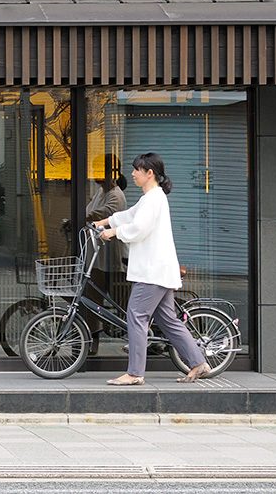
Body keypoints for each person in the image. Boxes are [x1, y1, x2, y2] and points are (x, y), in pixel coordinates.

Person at [92, 152, 210, 386]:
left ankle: (135, 373)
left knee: (136, 316)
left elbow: (139, 228)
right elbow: (130, 215)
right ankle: (198, 363)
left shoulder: (154, 198)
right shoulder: (151, 198)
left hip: (152, 272)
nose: (133, 173)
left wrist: (112, 232)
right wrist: (104, 222)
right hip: (159, 271)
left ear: (150, 173)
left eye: (137, 170)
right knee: (168, 320)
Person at [83, 158, 128, 355]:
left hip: (113, 258)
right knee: (93, 297)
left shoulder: (115, 195)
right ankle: (93, 339)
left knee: (125, 303)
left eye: (99, 170)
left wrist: (82, 217)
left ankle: (150, 336)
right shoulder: (102, 192)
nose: (95, 175)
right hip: (99, 257)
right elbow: (90, 211)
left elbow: (104, 214)